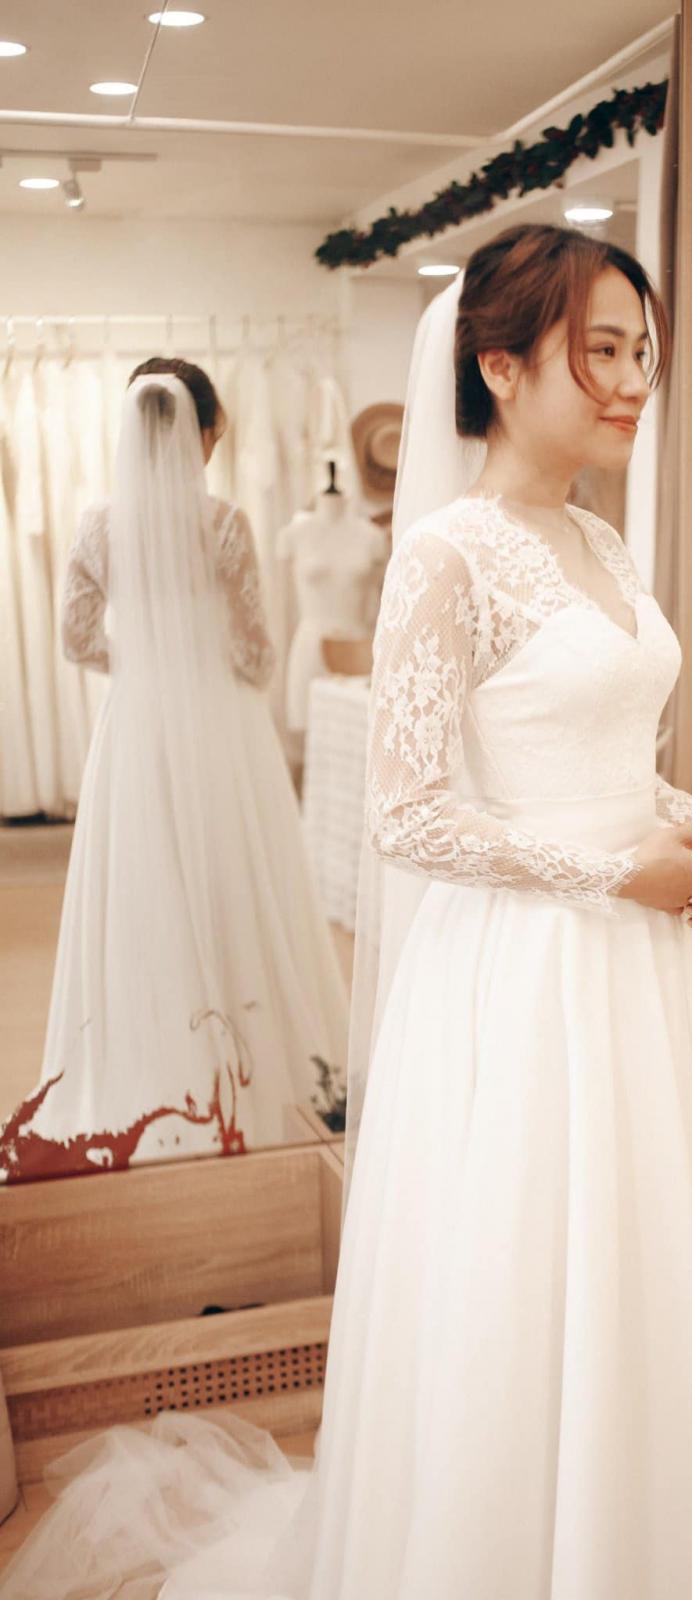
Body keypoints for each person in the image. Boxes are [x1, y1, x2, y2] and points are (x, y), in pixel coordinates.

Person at [0, 232, 692, 1597]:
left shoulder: (600, 540)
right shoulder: (445, 554)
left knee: (657, 1263)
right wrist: (614, 874)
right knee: (533, 1270)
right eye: (601, 351)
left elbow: (599, 750)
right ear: (501, 366)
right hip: (529, 973)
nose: (634, 382)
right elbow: (407, 814)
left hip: (646, 970)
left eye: (643, 352)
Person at [1, 360, 348, 1177]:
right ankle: (253, 1066)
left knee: (142, 885)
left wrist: (144, 664)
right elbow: (255, 651)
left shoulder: (97, 526)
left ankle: (148, 1067)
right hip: (220, 727)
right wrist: (202, 664)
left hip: (135, 726)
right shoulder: (223, 524)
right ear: (204, 430)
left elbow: (77, 640)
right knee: (233, 881)